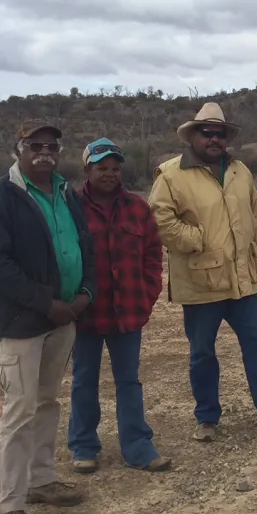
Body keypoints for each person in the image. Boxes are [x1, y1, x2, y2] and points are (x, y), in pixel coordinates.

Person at [147, 102, 257, 440]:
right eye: (208, 133)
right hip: (201, 280)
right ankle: (207, 419)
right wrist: (197, 238)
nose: (215, 139)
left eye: (220, 134)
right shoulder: (171, 175)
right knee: (202, 351)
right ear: (194, 136)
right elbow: (159, 220)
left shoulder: (241, 171)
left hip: (243, 282)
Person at [0, 119, 95, 514]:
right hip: (25, 323)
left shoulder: (65, 193)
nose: (44, 150)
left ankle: (42, 481)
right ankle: (10, 506)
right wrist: (47, 303)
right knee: (19, 411)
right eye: (34, 144)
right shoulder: (0, 197)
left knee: (47, 403)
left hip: (64, 318)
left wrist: (85, 292)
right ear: (18, 148)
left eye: (51, 144)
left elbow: (84, 245)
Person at [67, 138, 171, 474]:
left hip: (128, 311)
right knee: (84, 379)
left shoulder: (137, 208)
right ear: (87, 169)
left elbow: (153, 256)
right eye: (102, 168)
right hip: (84, 314)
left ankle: (138, 447)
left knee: (129, 381)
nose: (109, 174)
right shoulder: (70, 207)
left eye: (115, 168)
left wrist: (147, 294)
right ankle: (83, 446)